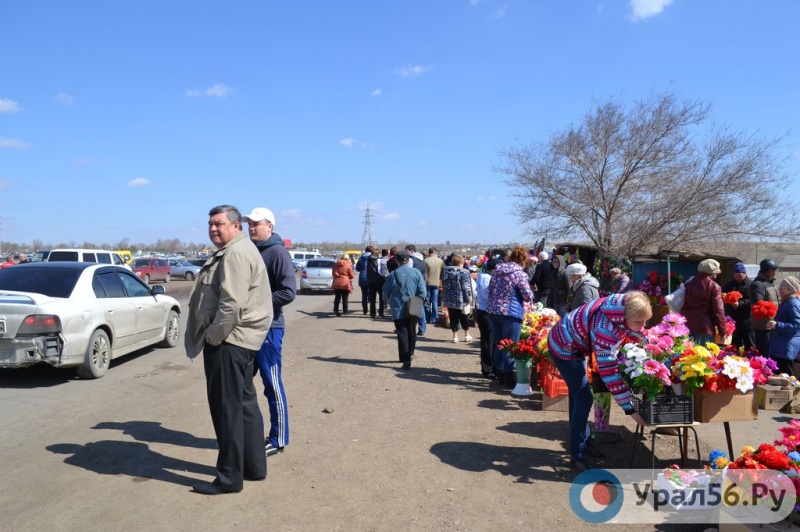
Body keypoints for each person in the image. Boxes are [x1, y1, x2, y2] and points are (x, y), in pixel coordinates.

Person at [185, 205, 272, 495]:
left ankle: (228, 478)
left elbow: (231, 303)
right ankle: (253, 467)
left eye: (219, 223)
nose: (213, 228)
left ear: (235, 226)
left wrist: (213, 337)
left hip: (229, 343)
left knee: (227, 412)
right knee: (245, 405)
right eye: (210, 223)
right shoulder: (240, 249)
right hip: (240, 342)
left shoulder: (235, 253)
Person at [548, 291, 650, 471]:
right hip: (563, 347)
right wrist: (631, 410)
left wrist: (652, 346)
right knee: (584, 397)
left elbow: (638, 333)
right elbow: (609, 373)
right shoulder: (604, 329)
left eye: (645, 321)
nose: (642, 326)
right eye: (638, 322)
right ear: (623, 316)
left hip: (577, 341)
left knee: (578, 396)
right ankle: (577, 453)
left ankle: (584, 441)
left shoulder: (622, 309)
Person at [242, 207, 296, 457]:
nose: (251, 228)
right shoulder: (250, 250)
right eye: (249, 224)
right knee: (241, 382)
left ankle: (278, 438)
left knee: (271, 383)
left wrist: (256, 303)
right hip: (246, 329)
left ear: (270, 227)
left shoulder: (277, 252)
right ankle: (247, 435)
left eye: (256, 224)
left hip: (269, 329)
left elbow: (288, 292)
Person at [488, 246, 534, 387]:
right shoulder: (519, 274)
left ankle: (499, 373)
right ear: (523, 260)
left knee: (499, 344)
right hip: (510, 313)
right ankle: (507, 377)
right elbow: (527, 295)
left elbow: (490, 289)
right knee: (510, 346)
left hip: (494, 311)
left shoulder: (497, 271)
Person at [382, 250, 426, 370]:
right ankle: (410, 354)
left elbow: (385, 293)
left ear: (397, 260)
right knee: (412, 331)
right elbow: (423, 291)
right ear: (408, 260)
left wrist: (389, 300)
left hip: (397, 307)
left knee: (402, 332)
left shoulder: (392, 275)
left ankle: (405, 359)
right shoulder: (416, 273)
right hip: (414, 306)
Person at [683, 259, 727, 345]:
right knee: (704, 356)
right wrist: (723, 332)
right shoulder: (714, 286)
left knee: (687, 355)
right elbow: (718, 311)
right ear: (712, 273)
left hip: (687, 325)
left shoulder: (689, 282)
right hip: (705, 327)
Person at [766, 276, 800, 377]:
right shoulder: (786, 302)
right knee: (778, 377)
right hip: (780, 345)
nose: (779, 289)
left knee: (787, 377)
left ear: (790, 289)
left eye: (783, 287)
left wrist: (777, 325)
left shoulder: (793, 304)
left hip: (786, 347)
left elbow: (797, 326)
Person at [476, 258, 500, 378]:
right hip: (485, 311)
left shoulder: (487, 277)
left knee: (492, 340)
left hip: (488, 311)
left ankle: (492, 367)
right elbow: (487, 296)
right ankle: (488, 368)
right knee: (488, 341)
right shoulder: (486, 278)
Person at [751, 259, 780, 357]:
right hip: (763, 327)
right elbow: (759, 306)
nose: (774, 272)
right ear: (767, 270)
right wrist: (770, 317)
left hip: (771, 325)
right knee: (764, 354)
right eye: (773, 270)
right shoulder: (758, 284)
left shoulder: (770, 282)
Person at [441, 254, 474, 343]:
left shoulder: (446, 271)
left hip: (449, 298)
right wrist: (469, 299)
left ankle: (455, 336)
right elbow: (466, 287)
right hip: (461, 299)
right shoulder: (464, 272)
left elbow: (443, 284)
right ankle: (466, 334)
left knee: (453, 317)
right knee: (464, 316)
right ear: (460, 263)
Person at [722, 262, 754, 349]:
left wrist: (740, 304)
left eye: (739, 276)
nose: (737, 278)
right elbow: (722, 295)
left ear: (745, 274)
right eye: (735, 275)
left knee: (749, 344)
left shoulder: (751, 285)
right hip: (732, 320)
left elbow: (753, 300)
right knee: (733, 345)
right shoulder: (729, 284)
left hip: (746, 319)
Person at [405, 245, 428, 335]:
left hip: (413, 284)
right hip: (421, 283)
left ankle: (411, 328)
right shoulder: (422, 259)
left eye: (407, 251)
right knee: (420, 306)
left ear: (410, 251)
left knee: (411, 307)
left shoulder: (411, 260)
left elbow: (408, 272)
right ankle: (422, 328)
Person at [424, 248, 445, 325]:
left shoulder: (426, 261)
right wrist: (440, 280)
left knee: (427, 301)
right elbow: (443, 272)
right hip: (436, 283)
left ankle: (427, 317)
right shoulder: (440, 261)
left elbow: (425, 273)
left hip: (428, 283)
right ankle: (434, 318)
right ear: (435, 252)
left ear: (429, 253)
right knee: (435, 301)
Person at [355, 246, 376, 315]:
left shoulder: (361, 258)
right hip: (371, 278)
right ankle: (372, 310)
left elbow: (357, 268)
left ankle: (365, 310)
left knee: (364, 295)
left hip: (362, 277)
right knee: (371, 295)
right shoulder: (373, 257)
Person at [366, 249, 387, 318]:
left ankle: (372, 312)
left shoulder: (368, 261)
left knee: (372, 298)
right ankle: (381, 312)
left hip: (371, 280)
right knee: (381, 297)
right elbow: (384, 270)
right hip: (380, 280)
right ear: (378, 254)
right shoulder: (381, 260)